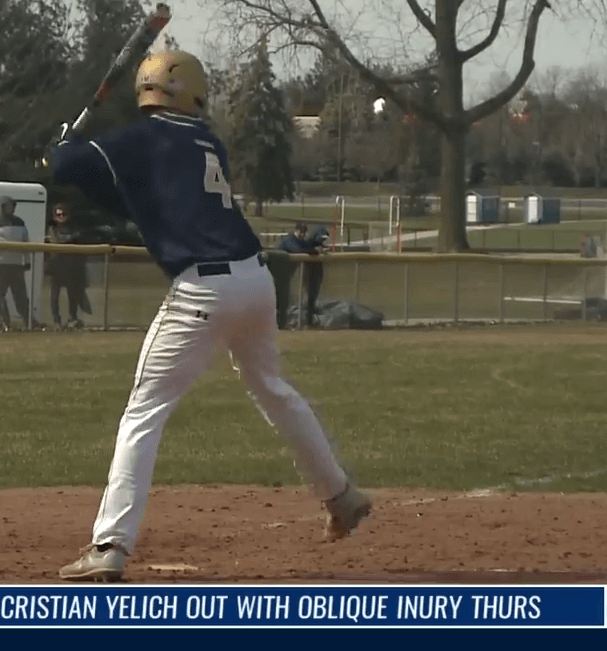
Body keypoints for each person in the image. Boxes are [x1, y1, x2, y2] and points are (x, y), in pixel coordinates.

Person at [50, 48, 372, 583]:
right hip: (255, 280)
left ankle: (109, 546)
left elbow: (67, 168)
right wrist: (74, 156)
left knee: (143, 411)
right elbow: (134, 198)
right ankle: (340, 494)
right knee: (273, 388)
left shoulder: (142, 136)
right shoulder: (205, 141)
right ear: (194, 91)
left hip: (201, 288)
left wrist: (62, 146)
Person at [0, 196, 32, 330]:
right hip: (0, 266)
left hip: (16, 266)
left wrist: (27, 261)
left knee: (21, 296)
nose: (10, 208)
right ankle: (5, 323)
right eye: (7, 206)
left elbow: (26, 243)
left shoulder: (20, 223)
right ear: (2, 207)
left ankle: (29, 323)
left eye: (11, 206)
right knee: (0, 296)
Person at [46, 202, 92, 329]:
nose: (61, 217)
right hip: (56, 266)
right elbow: (56, 241)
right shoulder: (52, 228)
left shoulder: (74, 227)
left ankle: (73, 318)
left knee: (73, 294)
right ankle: (56, 320)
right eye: (58, 214)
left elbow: (78, 243)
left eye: (63, 214)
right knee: (54, 296)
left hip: (71, 267)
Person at [276, 222, 327, 328]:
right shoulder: (289, 240)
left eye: (304, 232)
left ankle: (281, 323)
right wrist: (314, 251)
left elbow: (308, 247)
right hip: (275, 272)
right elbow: (299, 250)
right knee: (277, 298)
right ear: (296, 230)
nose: (302, 234)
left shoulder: (301, 242)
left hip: (284, 275)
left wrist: (319, 247)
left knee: (283, 298)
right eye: (300, 231)